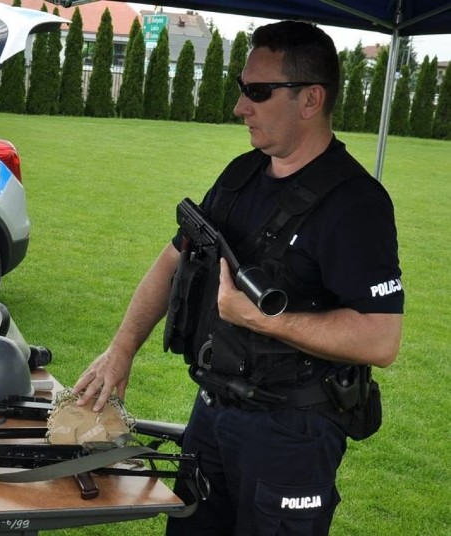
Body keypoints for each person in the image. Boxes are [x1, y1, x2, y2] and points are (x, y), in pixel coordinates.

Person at [72, 20, 403, 535]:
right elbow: (173, 258)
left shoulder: (356, 206)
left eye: (258, 92)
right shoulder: (241, 174)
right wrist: (122, 349)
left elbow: (381, 338)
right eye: (241, 89)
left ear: (311, 99)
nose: (240, 107)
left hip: (293, 432)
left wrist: (265, 321)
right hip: (213, 410)